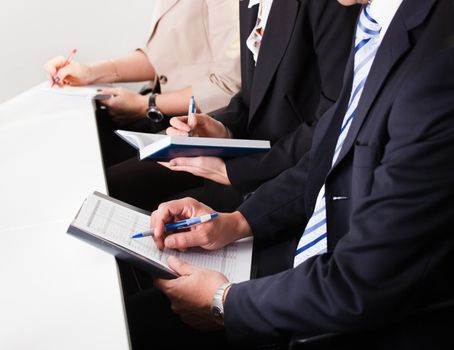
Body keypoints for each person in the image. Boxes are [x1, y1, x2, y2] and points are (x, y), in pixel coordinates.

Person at [149, 0, 454, 348]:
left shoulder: (437, 65)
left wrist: (224, 301)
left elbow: (361, 282)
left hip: (367, 307)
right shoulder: (377, 19)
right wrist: (236, 222)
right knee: (148, 288)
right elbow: (333, 152)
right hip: (322, 254)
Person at [107, 0, 360, 212]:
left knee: (147, 213)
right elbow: (250, 95)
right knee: (109, 186)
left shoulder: (332, 5)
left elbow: (333, 123)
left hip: (283, 176)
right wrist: (221, 128)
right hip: (244, 155)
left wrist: (239, 171)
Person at [44, 0, 241, 166]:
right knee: (75, 148)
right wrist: (89, 72)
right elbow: (161, 57)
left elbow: (228, 85)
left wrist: (146, 105)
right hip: (166, 116)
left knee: (100, 176)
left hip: (202, 128)